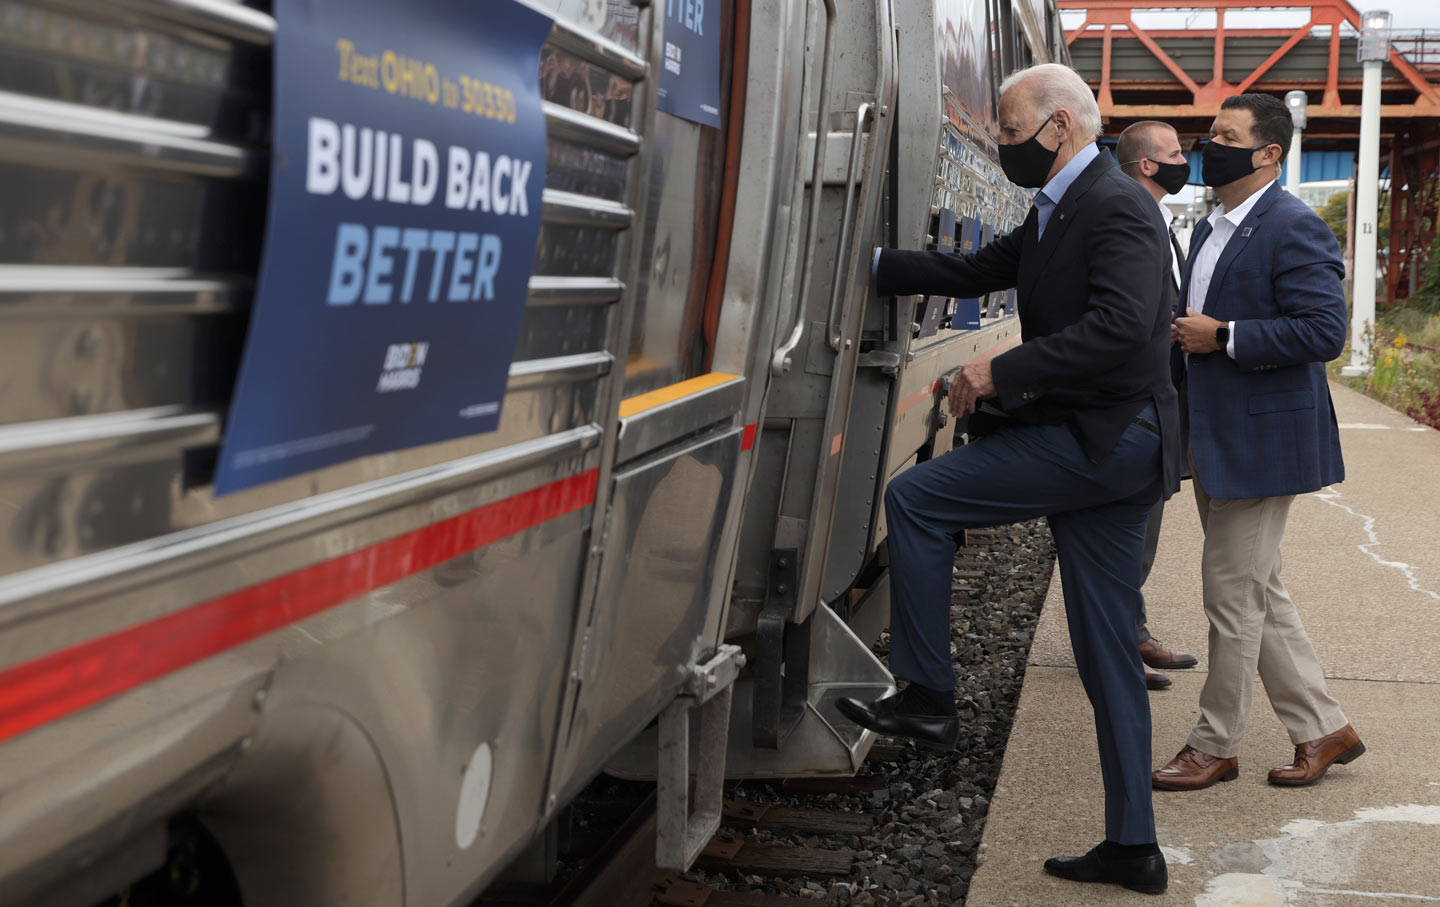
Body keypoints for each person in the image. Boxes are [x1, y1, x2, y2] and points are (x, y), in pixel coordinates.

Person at [835, 63, 1178, 895]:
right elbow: (975, 269)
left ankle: (926, 692)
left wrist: (999, 372)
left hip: (1108, 440)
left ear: (1061, 128)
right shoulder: (1059, 208)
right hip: (1106, 446)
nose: (1003, 149)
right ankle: (1134, 846)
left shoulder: (1116, 205)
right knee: (1106, 655)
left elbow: (1126, 330)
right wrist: (870, 262)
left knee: (916, 496)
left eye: (1013, 135)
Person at [1152, 92, 1364, 793]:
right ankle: (1323, 727)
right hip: (1216, 435)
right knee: (1258, 591)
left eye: (1225, 135)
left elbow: (1323, 332)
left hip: (1264, 442)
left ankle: (1215, 744)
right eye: (1211, 132)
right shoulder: (1211, 227)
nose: (1210, 144)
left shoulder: (1293, 226)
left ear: (1269, 153)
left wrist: (1226, 336)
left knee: (1230, 596)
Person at [1115, 120, 1202, 692]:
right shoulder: (1129, 217)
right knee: (1124, 531)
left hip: (1161, 404)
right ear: (1148, 165)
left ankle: (1132, 630)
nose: (1184, 162)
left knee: (1144, 529)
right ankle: (1117, 647)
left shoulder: (1163, 221)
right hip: (1132, 407)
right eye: (1174, 154)